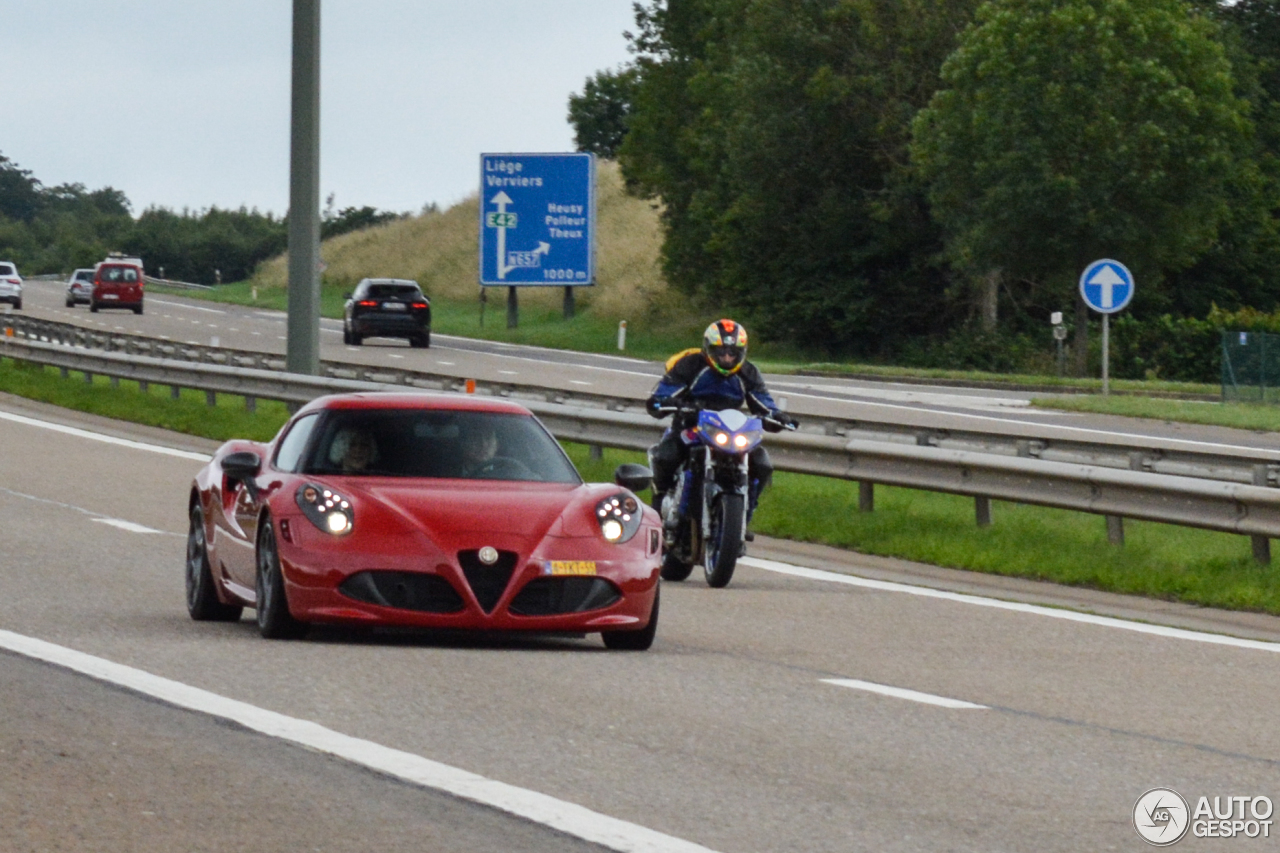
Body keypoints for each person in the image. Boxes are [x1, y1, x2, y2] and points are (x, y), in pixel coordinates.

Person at [645, 319, 797, 530]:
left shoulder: (748, 372)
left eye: (732, 353)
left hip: (730, 429)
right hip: (691, 426)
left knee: (761, 463)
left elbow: (762, 400)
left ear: (741, 352)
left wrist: (777, 416)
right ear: (709, 349)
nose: (726, 358)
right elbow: (662, 394)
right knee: (667, 456)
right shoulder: (690, 366)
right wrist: (670, 403)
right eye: (721, 352)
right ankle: (658, 511)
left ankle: (744, 517)